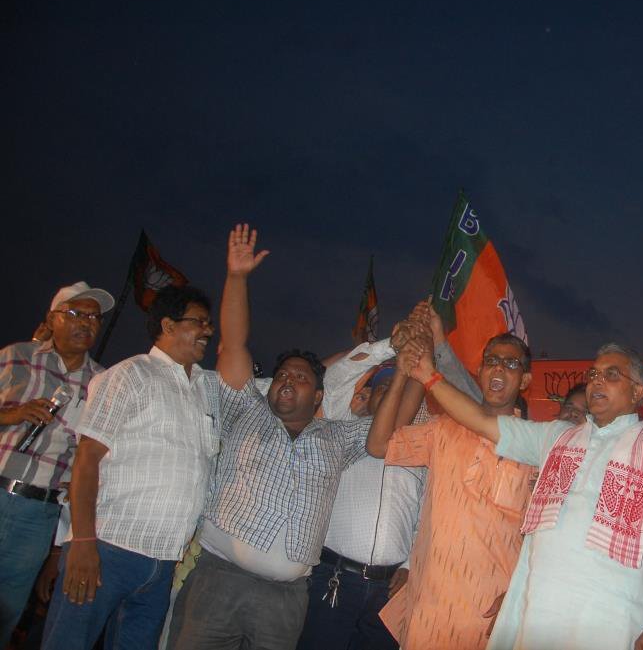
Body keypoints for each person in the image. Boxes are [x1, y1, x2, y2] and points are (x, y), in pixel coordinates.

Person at [167, 224, 390, 650]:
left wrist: (400, 354)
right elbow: (233, 345)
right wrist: (237, 276)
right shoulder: (246, 410)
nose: (287, 379)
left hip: (287, 600)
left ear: (319, 395)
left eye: (301, 377)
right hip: (219, 581)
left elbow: (383, 429)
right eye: (282, 374)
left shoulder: (336, 437)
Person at [402, 339, 643, 650]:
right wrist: (429, 376)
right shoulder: (556, 436)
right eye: (593, 375)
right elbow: (481, 421)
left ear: (637, 392)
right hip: (537, 609)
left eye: (612, 375)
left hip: (611, 618)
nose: (597, 382)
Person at [41, 284, 218, 650]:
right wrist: (84, 543)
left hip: (163, 562)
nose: (208, 330)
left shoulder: (203, 386)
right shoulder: (130, 375)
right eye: (199, 322)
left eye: (209, 323)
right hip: (108, 550)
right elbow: (87, 460)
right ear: (168, 326)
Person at [366, 331, 536, 650]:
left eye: (510, 363)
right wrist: (402, 373)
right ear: (481, 371)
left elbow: (541, 533)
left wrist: (519, 594)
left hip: (489, 617)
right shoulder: (442, 427)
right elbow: (377, 445)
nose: (498, 368)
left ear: (525, 379)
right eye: (491, 361)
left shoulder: (536, 446)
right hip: (428, 612)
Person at [0, 282, 114, 646]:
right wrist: (14, 413)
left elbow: (94, 456)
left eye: (94, 318)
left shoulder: (103, 384)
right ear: (53, 319)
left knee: (6, 610)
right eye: (77, 314)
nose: (87, 323)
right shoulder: (16, 357)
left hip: (39, 514)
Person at [297, 365, 426, 650]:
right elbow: (335, 382)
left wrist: (408, 567)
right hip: (336, 579)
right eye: (384, 387)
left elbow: (422, 520)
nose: (394, 392)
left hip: (390, 589)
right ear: (367, 397)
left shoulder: (421, 450)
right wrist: (390, 357)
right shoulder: (341, 431)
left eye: (400, 389)